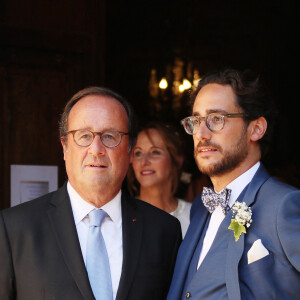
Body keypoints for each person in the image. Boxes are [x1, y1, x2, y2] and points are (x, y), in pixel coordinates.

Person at [0, 87, 182, 300]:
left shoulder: (164, 231)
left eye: (110, 136)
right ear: (65, 147)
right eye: (84, 136)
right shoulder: (14, 229)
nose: (96, 149)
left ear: (130, 150)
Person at [167, 69, 300, 300]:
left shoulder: (283, 205)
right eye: (196, 120)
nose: (202, 133)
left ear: (256, 128)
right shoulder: (200, 207)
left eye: (216, 119)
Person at [127, 121, 192, 237]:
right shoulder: (122, 215)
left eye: (155, 152)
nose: (144, 161)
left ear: (176, 160)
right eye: (138, 153)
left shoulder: (193, 217)